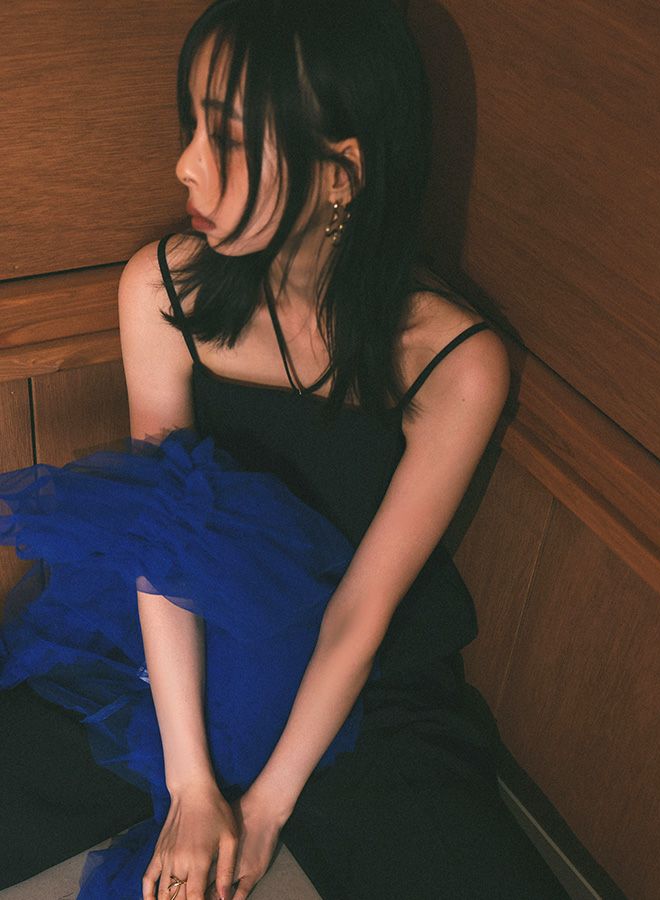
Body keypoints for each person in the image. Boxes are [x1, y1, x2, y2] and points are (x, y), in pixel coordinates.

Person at [0, 1, 571, 897]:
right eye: (190, 124)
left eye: (226, 137)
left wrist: (264, 808)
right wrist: (192, 784)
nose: (185, 165)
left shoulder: (454, 363)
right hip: (162, 641)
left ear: (341, 175)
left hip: (356, 679)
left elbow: (361, 613)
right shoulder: (164, 287)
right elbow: (161, 539)